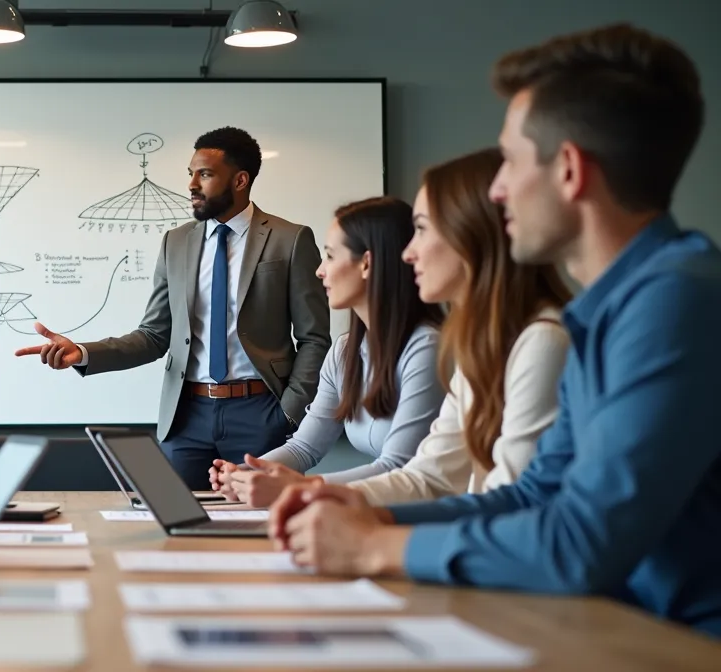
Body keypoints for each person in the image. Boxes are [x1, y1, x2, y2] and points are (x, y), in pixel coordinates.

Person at [269, 23, 721, 638]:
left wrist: (375, 548)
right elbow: (534, 496)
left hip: (672, 641)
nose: (497, 188)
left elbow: (579, 542)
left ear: (569, 170)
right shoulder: (612, 309)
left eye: (508, 160)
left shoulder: (675, 300)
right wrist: (367, 509)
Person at [245, 147, 572, 509]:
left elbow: (511, 507)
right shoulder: (483, 349)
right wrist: (303, 492)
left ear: (472, 235)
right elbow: (428, 477)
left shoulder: (541, 342)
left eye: (421, 230)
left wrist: (314, 499)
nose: (407, 253)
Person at [15, 126, 331, 488]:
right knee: (180, 523)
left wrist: (288, 414)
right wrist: (84, 352)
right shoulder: (175, 243)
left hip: (261, 413)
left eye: (206, 174)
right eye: (191, 174)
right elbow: (153, 335)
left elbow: (314, 338)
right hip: (186, 418)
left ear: (241, 180)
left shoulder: (290, 240)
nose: (192, 184)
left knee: (262, 529)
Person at [208, 196, 446, 507]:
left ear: (367, 263)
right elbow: (304, 448)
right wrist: (246, 473)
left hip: (428, 517)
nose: (320, 271)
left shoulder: (427, 348)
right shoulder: (346, 350)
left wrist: (293, 487)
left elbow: (397, 466)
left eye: (330, 256)